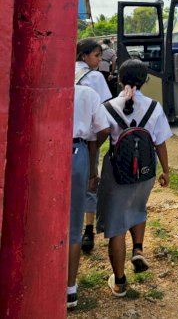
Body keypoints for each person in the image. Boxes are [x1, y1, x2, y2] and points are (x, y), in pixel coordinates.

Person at [96, 60, 171, 297]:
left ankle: (119, 282)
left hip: (117, 172)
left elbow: (98, 140)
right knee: (139, 208)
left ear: (119, 78)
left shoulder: (108, 107)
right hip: (146, 171)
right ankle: (138, 249)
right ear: (145, 80)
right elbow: (160, 142)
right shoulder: (154, 107)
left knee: (116, 225)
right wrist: (166, 171)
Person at [67, 84, 110, 309]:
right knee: (74, 225)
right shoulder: (87, 92)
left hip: (42, 150)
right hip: (77, 152)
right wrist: (92, 162)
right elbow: (104, 129)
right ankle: (70, 289)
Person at [75, 38, 113, 254]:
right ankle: (88, 230)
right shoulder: (96, 78)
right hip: (88, 138)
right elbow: (105, 109)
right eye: (97, 56)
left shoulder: (66, 71)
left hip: (66, 138)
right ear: (84, 56)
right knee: (90, 182)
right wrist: (98, 144)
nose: (99, 60)